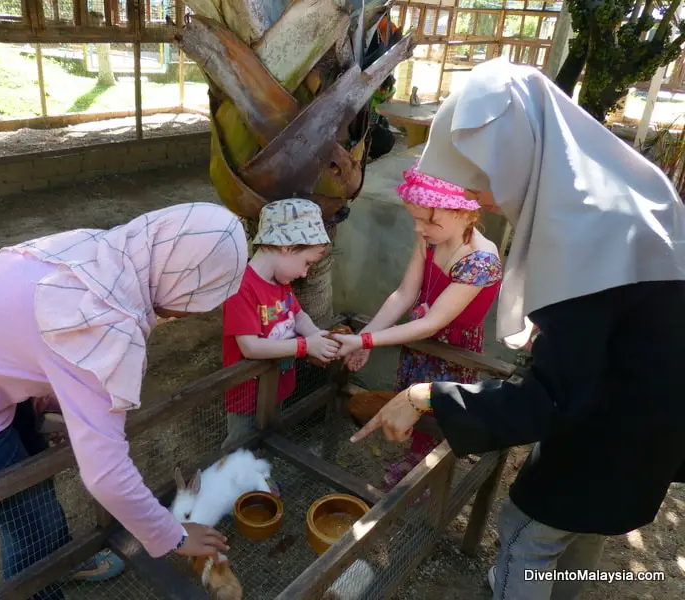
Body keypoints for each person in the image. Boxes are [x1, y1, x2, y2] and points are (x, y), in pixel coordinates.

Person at [349, 57, 685, 600]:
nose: (482, 199)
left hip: (604, 433)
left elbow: (552, 398)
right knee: (587, 529)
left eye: (482, 184)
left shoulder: (583, 233)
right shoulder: (629, 191)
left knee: (527, 535)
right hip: (653, 429)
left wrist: (425, 396)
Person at [0, 202, 246, 599]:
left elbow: (30, 335)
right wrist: (173, 535)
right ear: (183, 284)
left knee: (36, 479)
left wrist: (54, 403)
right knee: (30, 521)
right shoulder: (103, 327)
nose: (196, 312)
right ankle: (41, 583)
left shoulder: (107, 252)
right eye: (202, 298)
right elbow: (106, 474)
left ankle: (65, 557)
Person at [333, 165, 502, 490]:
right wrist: (365, 339)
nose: (418, 228)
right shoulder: (429, 238)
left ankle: (428, 473)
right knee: (411, 397)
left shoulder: (481, 260)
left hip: (452, 352)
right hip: (420, 342)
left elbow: (432, 323)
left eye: (429, 221)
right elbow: (404, 294)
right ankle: (417, 455)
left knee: (436, 405)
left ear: (465, 213)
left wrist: (367, 340)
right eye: (416, 219)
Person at [221, 198, 340, 448]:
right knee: (240, 449)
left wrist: (315, 335)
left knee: (269, 439)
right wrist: (305, 346)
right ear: (287, 247)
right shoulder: (241, 288)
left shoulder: (280, 283)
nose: (305, 273)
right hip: (247, 397)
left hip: (277, 386)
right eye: (306, 263)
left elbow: (298, 315)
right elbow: (250, 347)